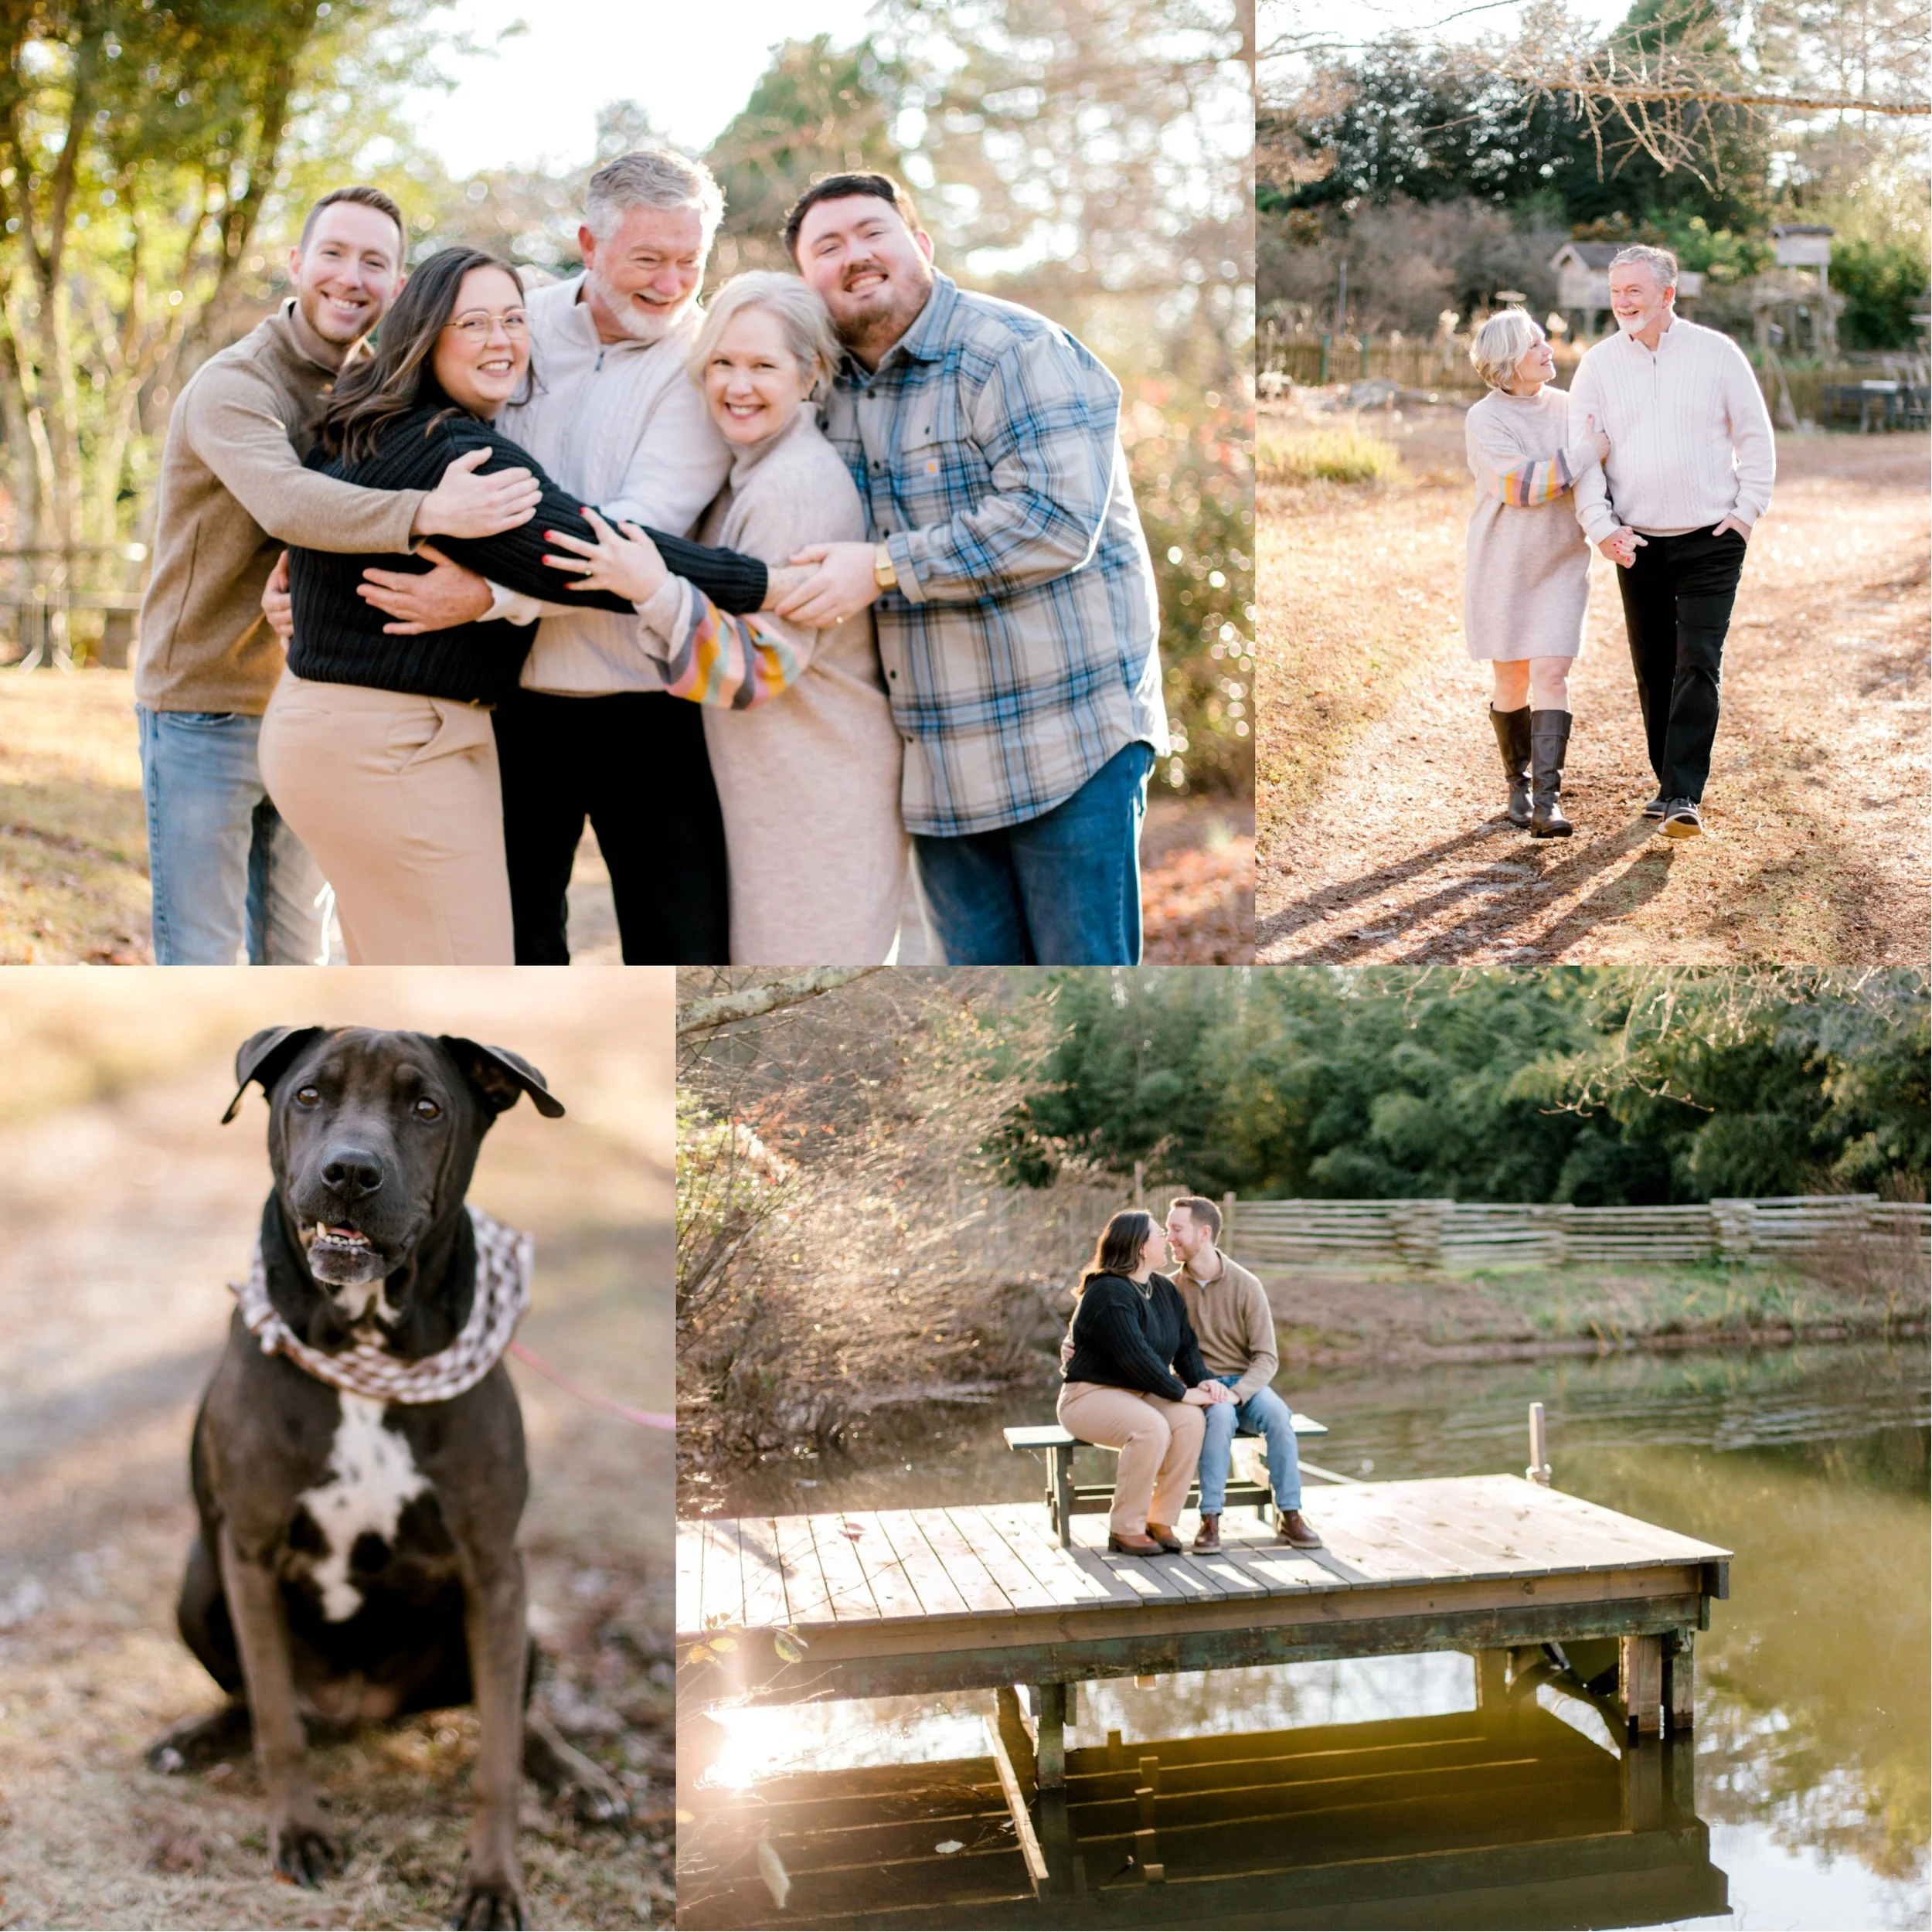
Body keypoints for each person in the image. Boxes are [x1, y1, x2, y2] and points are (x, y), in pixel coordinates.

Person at [256, 247, 767, 964]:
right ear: (427, 334)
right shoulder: (459, 453)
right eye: (474, 324)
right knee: (473, 967)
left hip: (326, 732)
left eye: (514, 321)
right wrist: (762, 584)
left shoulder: (359, 421)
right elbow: (588, 553)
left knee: (390, 957)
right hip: (387, 745)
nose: (502, 342)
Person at [134, 185, 544, 964]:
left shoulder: (373, 389)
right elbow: (290, 504)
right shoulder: (235, 386)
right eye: (333, 254)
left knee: (300, 953)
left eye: (375, 263)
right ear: (296, 264)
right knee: (202, 951)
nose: (351, 278)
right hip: (203, 701)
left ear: (399, 287)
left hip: (310, 698)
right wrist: (432, 511)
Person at [776, 172, 1168, 967]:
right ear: (805, 282)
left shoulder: (1015, 351)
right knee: (989, 1026)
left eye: (871, 232)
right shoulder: (818, 395)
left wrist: (885, 568)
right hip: (936, 770)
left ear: (919, 245)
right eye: (828, 246)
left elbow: (1054, 522)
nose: (854, 256)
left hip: (1069, 741)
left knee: (1088, 1008)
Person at [538, 271, 906, 964]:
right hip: (769, 796)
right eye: (723, 364)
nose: (738, 386)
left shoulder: (796, 486)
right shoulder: (744, 474)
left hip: (819, 797)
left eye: (764, 366)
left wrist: (652, 588)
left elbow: (757, 671)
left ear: (811, 375)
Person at [1569, 245, 1776, 840]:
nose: (1622, 302)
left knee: (1698, 664)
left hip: (1712, 539)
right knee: (1654, 667)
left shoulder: (1717, 354)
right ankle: (1667, 783)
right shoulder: (1598, 366)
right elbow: (1585, 458)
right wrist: (1602, 528)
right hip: (1638, 543)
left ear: (1668, 295)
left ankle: (1683, 793)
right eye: (1616, 290)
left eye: (1635, 290)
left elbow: (1756, 438)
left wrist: (1745, 514)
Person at [1464, 310, 1609, 840]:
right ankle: (1517, 785)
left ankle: (1549, 802)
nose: (1549, 350)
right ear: (1507, 362)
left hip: (1562, 561)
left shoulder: (1571, 409)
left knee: (1552, 672)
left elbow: (1605, 464)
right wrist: (1584, 455)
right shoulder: (1485, 419)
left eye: (1544, 341)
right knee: (1512, 678)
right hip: (1504, 563)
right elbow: (1520, 486)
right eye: (1535, 345)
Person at [1057, 1209, 1225, 1556]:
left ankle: (1159, 1519)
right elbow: (1135, 1357)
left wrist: (1204, 1385)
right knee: (1151, 1427)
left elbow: (1185, 1346)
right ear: (1138, 1246)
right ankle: (1125, 1528)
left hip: (1140, 1393)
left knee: (1189, 1420)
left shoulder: (1163, 1289)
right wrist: (1182, 1392)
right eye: (1158, 1234)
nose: (1166, 1239)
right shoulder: (1108, 1292)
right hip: (1088, 1395)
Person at [1163, 1197, 1322, 1553]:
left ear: (1204, 1233)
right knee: (1219, 1417)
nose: (1168, 1237)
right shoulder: (1170, 1288)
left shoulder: (1247, 1285)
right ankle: (1210, 1520)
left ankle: (1290, 1515)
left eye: (1176, 1229)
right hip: (1202, 1387)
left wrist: (1238, 1393)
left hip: (1244, 1386)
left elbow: (1266, 1356)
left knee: (1280, 1417)